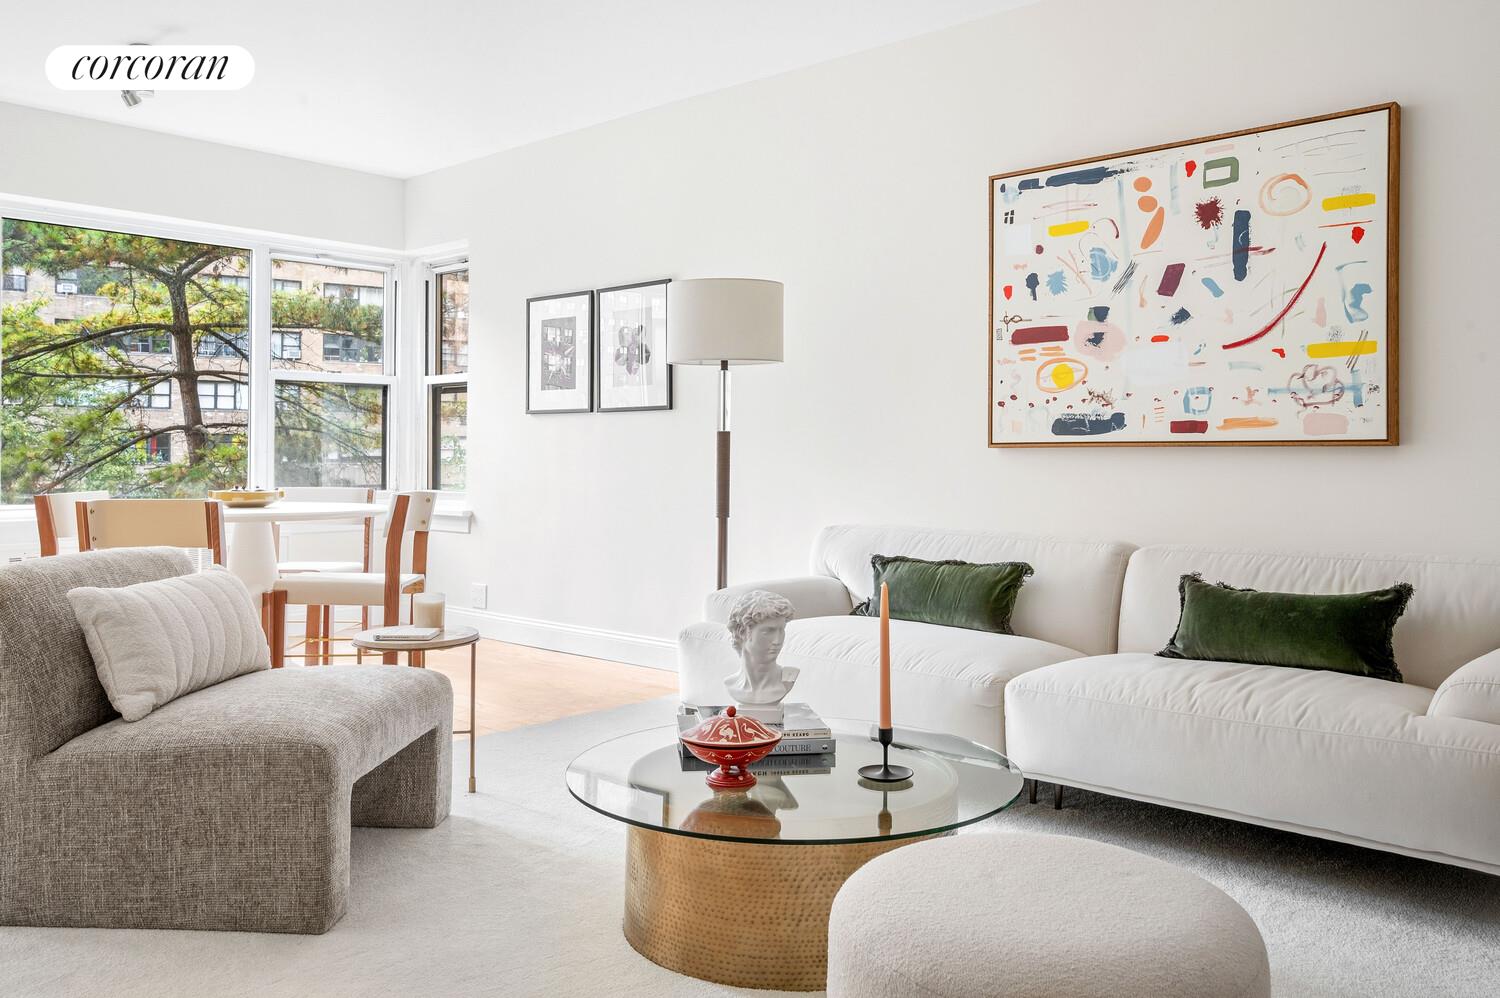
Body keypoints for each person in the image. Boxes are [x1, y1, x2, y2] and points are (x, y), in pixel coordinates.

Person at [724, 589, 798, 706]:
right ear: (742, 632)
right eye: (768, 631)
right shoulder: (730, 684)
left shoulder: (788, 678)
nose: (778, 641)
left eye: (781, 630)